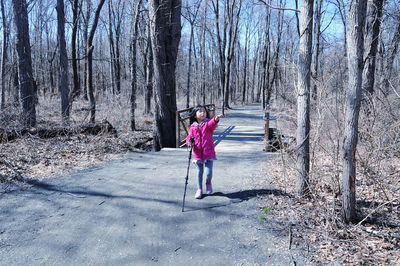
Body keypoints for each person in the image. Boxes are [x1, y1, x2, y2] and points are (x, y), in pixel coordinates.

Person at [186, 105, 222, 199]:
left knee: (208, 172)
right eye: (200, 111)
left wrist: (215, 119)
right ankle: (199, 189)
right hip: (197, 153)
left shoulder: (207, 124)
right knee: (199, 172)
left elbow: (212, 124)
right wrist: (189, 142)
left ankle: (208, 183)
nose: (203, 113)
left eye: (204, 112)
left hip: (208, 152)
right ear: (195, 115)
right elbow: (189, 137)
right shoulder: (192, 126)